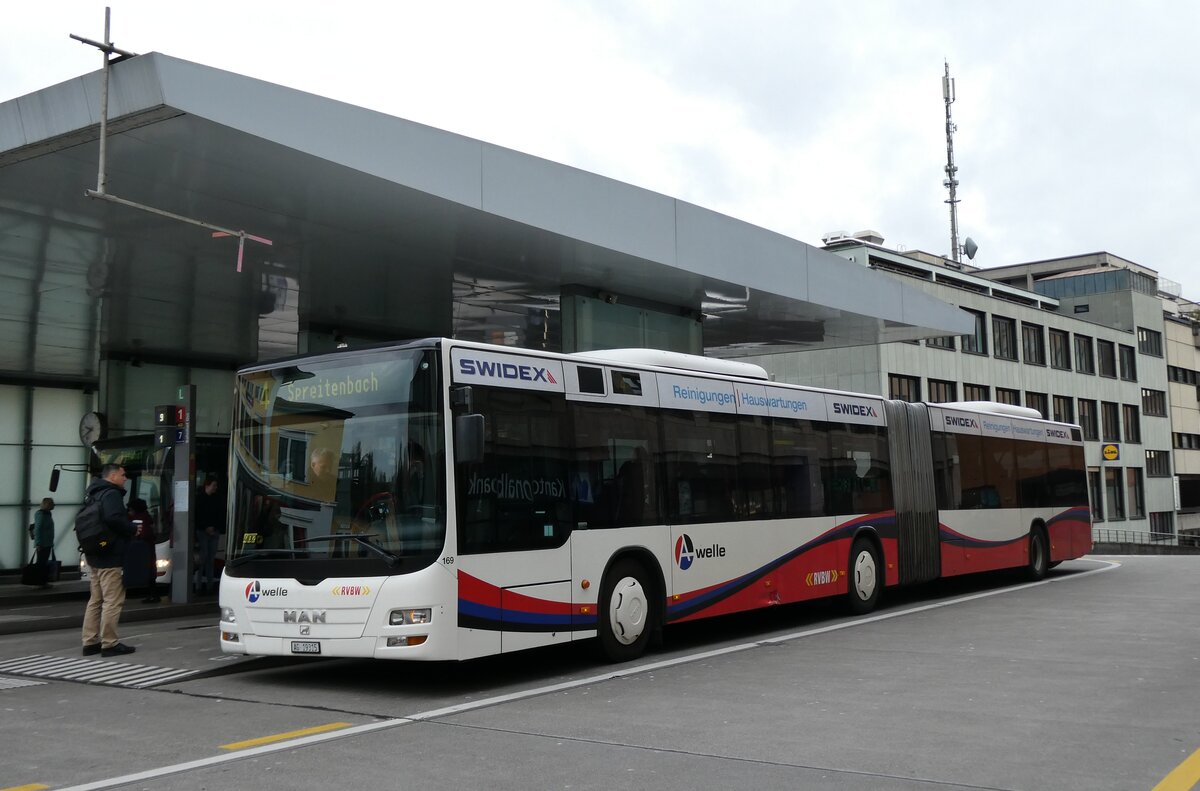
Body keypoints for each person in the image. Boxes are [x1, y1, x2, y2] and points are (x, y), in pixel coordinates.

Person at [81, 464, 137, 657]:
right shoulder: (111, 495)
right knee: (112, 601)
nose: (125, 478)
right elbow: (113, 519)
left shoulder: (92, 494)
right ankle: (109, 643)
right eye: (123, 474)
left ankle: (89, 642)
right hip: (110, 556)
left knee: (95, 600)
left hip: (94, 554)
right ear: (112, 476)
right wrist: (131, 528)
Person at [194, 475, 226, 594]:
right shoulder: (205, 499)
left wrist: (207, 527)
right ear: (207, 485)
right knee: (205, 559)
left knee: (207, 558)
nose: (215, 488)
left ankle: (204, 585)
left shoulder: (201, 498)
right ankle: (206, 585)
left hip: (205, 530)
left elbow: (198, 516)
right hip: (208, 531)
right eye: (214, 485)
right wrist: (211, 528)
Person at [128, 497, 160, 603]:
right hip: (149, 547)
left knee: (148, 571)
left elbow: (143, 533)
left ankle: (152, 595)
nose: (129, 511)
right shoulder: (147, 516)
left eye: (131, 509)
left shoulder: (138, 518)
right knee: (151, 571)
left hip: (143, 549)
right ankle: (153, 594)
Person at [32, 497, 55, 588]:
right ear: (46, 504)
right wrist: (38, 543)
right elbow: (38, 529)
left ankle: (42, 581)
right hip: (43, 544)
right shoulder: (41, 514)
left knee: (43, 562)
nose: (53, 505)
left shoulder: (47, 514)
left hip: (47, 542)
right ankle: (40, 582)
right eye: (52, 504)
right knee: (41, 563)